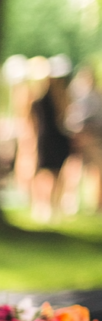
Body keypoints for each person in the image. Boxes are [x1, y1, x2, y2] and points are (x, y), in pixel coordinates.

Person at [29, 57, 72, 221]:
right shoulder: (56, 97)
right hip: (52, 137)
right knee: (51, 172)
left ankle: (46, 205)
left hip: (48, 136)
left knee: (47, 172)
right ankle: (50, 205)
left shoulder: (41, 98)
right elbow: (64, 115)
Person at [66, 65, 102, 212]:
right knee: (78, 168)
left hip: (89, 135)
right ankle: (72, 200)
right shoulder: (81, 96)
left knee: (92, 169)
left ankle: (91, 202)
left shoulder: (89, 96)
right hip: (85, 135)